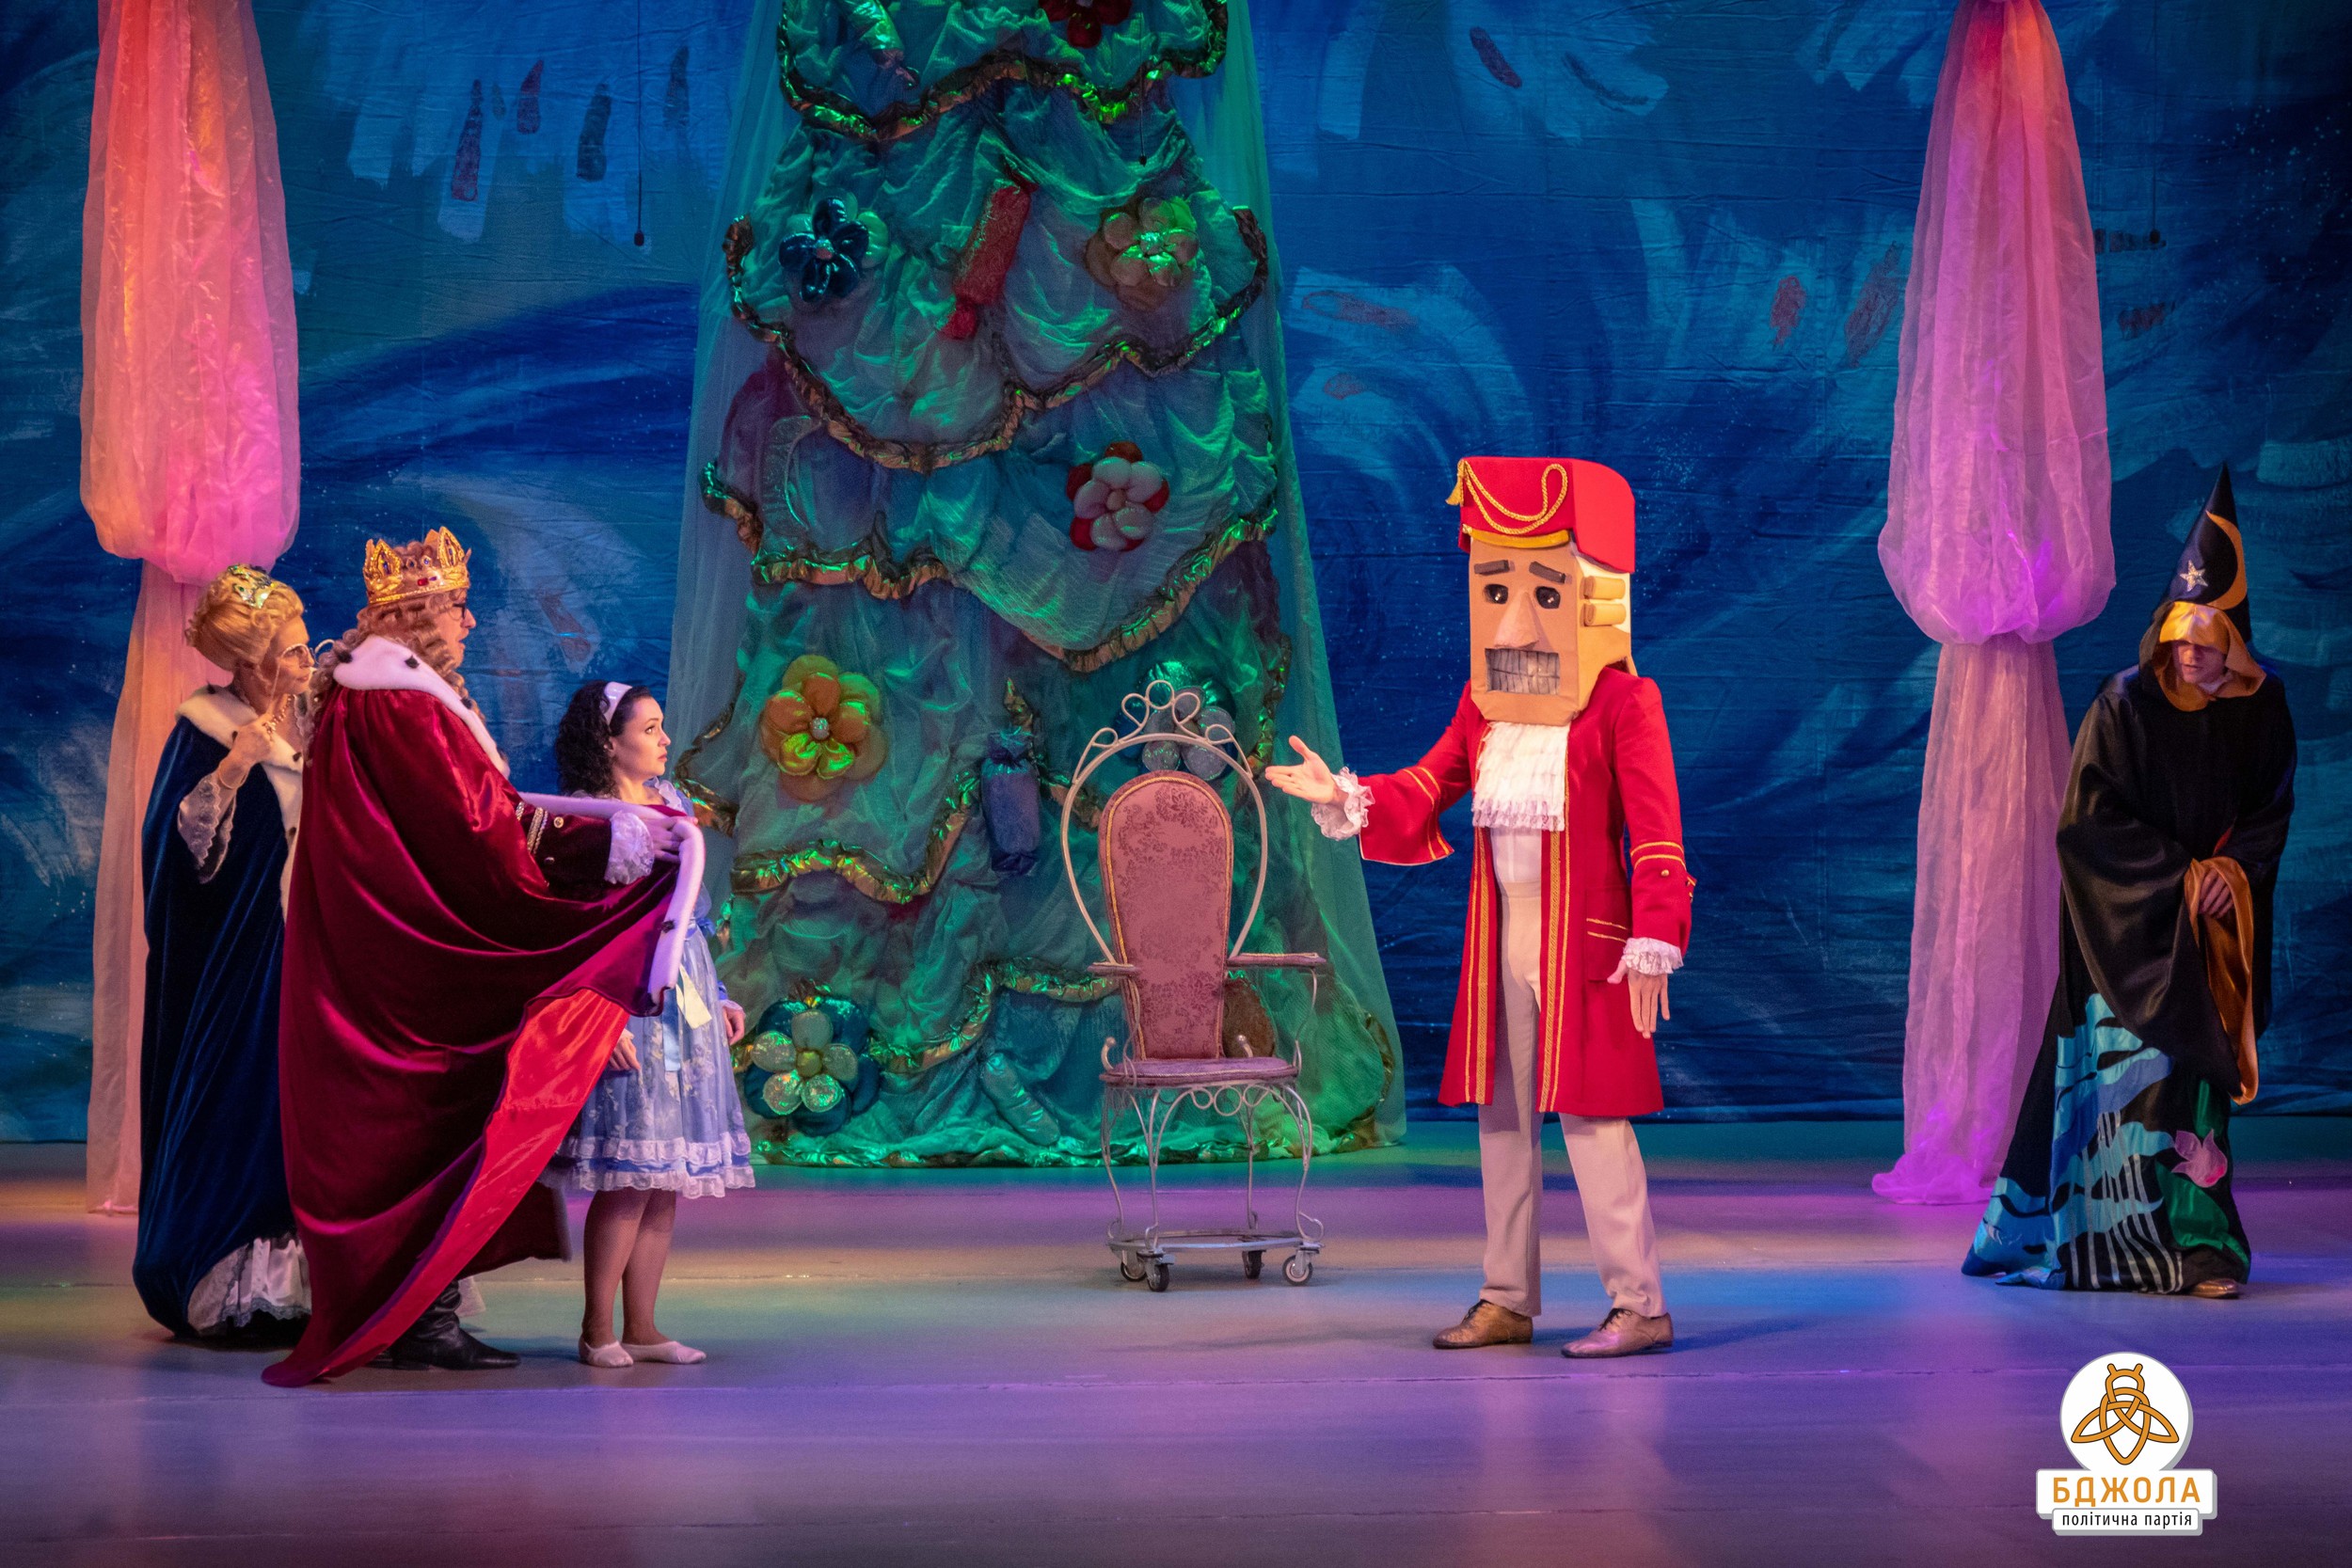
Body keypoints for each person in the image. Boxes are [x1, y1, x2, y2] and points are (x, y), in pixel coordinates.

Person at [1268, 456, 1693, 1358]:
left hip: (1587, 948)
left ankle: (1639, 1302)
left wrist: (1656, 935)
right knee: (1502, 1120)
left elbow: (1658, 835)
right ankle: (1506, 1296)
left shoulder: (1623, 701)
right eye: (1496, 588)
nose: (1514, 618)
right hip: (1501, 941)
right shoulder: (1487, 701)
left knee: (1594, 1120)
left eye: (1543, 590)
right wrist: (1348, 795)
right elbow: (1430, 783)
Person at [264, 529, 691, 1386]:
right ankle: (421, 1319)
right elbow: (472, 832)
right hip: (414, 968)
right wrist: (596, 845)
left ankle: (419, 1311)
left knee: (419, 1139)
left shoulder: (382, 698)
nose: (468, 621)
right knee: (430, 1131)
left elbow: (478, 812)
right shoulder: (401, 705)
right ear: (418, 617)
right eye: (456, 607)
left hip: (387, 955)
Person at [1967, 469, 2295, 1297]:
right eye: (2181, 641)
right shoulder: (2124, 704)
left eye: (2206, 644)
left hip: (2208, 932)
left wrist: (2231, 874)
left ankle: (2202, 1248)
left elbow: (2269, 809)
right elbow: (2088, 820)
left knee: (2195, 1092)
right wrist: (2180, 878)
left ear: (2234, 642)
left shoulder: (2263, 709)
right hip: (2126, 924)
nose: (2190, 656)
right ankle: (2099, 1241)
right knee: (2123, 1084)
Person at [543, 680, 752, 1368]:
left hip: (681, 989)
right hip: (626, 994)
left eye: (662, 726)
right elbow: (578, 932)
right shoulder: (590, 820)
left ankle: (643, 1325)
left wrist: (717, 993)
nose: (664, 739)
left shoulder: (673, 803)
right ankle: (596, 1328)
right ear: (611, 743)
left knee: (665, 1173)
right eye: (650, 728)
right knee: (629, 1173)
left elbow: (692, 913)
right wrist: (596, 1022)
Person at [132, 565, 313, 1342]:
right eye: (292, 652)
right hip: (244, 964)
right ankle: (228, 1281)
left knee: (296, 1120)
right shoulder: (203, 728)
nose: (305, 663)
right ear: (249, 663)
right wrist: (235, 766)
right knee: (240, 1106)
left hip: (306, 956)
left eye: (305, 649)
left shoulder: (308, 723)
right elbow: (178, 854)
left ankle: (298, 1286)